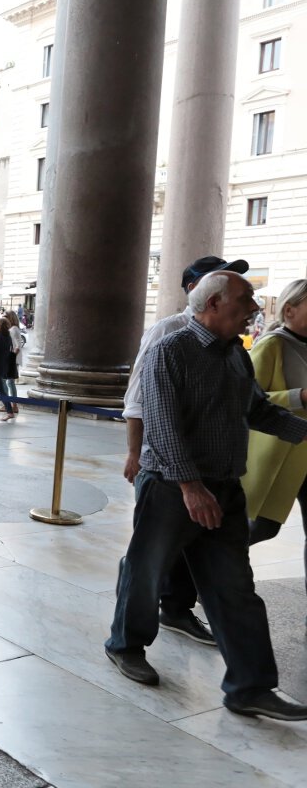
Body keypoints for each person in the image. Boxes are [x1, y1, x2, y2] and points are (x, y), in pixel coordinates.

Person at [106, 271, 307, 721]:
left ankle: (250, 687)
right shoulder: (169, 350)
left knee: (235, 588)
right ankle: (125, 645)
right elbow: (162, 426)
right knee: (146, 570)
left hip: (225, 487)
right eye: (245, 299)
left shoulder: (237, 355)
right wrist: (191, 488)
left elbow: (257, 410)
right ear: (213, 304)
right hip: (171, 488)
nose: (254, 307)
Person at [121, 255, 249, 645]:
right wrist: (134, 453)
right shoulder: (168, 333)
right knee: (150, 558)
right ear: (199, 291)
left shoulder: (233, 346)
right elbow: (141, 397)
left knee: (186, 554)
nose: (249, 305)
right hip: (165, 467)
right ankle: (129, 635)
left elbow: (248, 405)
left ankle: (177, 610)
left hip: (215, 472)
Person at [243, 279, 307, 609]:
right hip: (278, 455)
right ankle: (194, 577)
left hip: (304, 457)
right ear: (289, 309)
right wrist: (300, 396)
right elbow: (248, 399)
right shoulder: (271, 345)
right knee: (260, 528)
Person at [3, 310, 25, 413]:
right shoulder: (14, 329)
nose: (4, 318)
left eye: (5, 316)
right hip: (13, 359)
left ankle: (12, 405)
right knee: (8, 382)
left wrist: (11, 358)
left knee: (9, 382)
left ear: (10, 318)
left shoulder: (13, 329)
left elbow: (17, 346)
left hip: (12, 359)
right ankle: (8, 404)